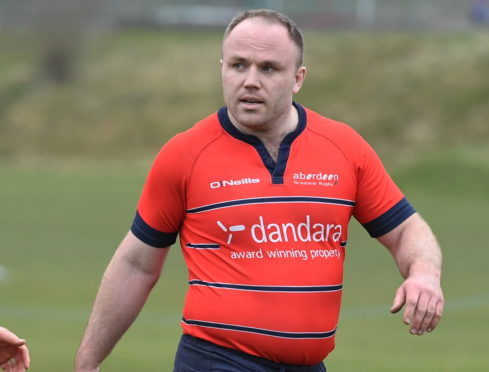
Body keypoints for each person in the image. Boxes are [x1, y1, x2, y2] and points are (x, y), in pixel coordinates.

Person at [75, 9, 444, 372]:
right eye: (238, 65)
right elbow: (137, 264)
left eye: (268, 68)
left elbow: (406, 230)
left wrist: (424, 273)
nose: (250, 80)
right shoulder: (184, 155)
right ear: (222, 68)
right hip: (216, 361)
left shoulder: (344, 148)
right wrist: (87, 362)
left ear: (298, 78)